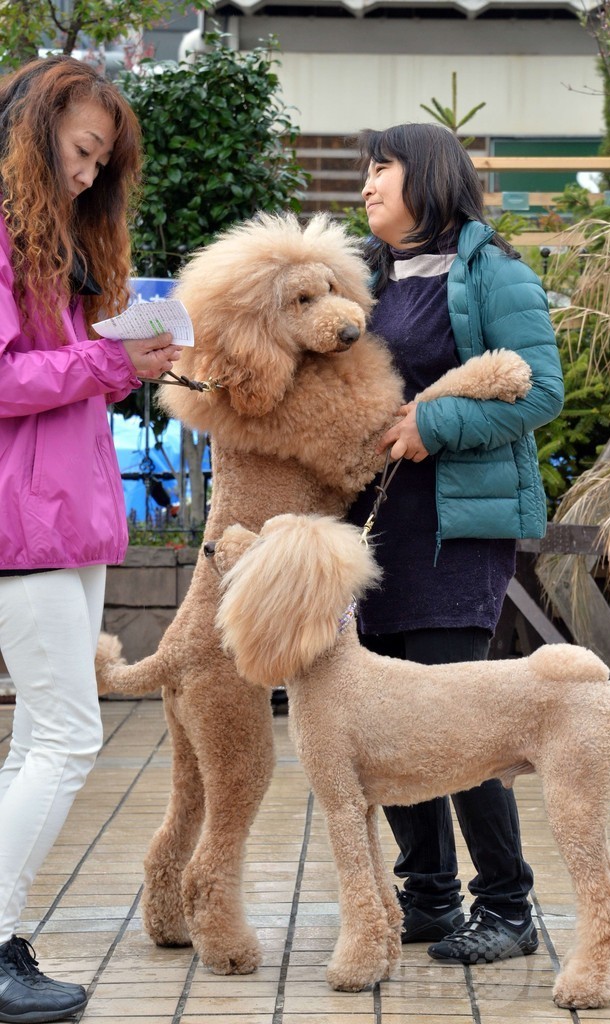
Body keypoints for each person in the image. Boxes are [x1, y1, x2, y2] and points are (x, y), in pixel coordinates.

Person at [347, 123, 564, 965]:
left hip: (457, 528)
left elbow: (538, 390)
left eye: (382, 170)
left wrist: (436, 424)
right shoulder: (369, 277)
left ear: (428, 177)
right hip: (373, 531)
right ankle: (428, 897)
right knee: (390, 720)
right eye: (365, 172)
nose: (367, 187)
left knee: (461, 719)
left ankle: (507, 906)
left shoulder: (492, 273)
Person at [0, 56, 181, 1023]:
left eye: (101, 163)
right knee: (67, 736)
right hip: (18, 528)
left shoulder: (54, 245)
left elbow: (57, 379)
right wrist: (97, 357)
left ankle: (5, 940)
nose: (87, 175)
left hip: (68, 524)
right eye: (79, 153)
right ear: (34, 128)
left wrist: (123, 362)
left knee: (40, 736)